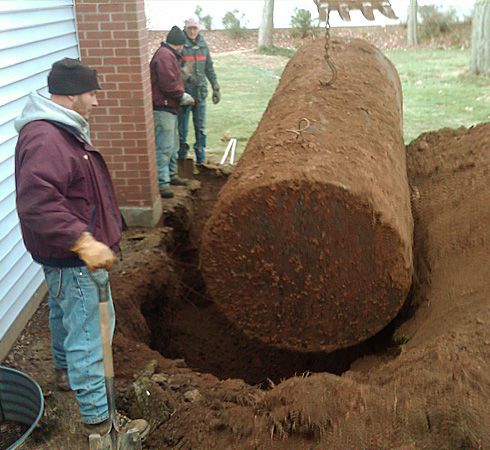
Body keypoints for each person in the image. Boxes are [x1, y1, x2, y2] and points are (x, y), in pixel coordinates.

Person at [14, 58, 149, 440]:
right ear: (72, 94)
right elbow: (38, 203)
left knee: (62, 314)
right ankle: (100, 425)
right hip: (72, 258)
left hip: (60, 256)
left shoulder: (57, 128)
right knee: (91, 337)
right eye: (92, 93)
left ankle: (64, 377)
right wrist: (84, 242)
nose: (96, 101)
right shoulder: (47, 137)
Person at [150, 25, 194, 198]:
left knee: (173, 144)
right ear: (179, 44)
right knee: (164, 147)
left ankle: (172, 175)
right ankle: (163, 183)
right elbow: (168, 84)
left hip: (169, 107)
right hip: (162, 107)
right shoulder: (164, 56)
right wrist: (181, 95)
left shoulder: (167, 55)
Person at [178, 17, 220, 165]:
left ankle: (200, 159)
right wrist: (187, 78)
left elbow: (209, 68)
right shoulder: (181, 46)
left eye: (194, 28)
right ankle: (181, 159)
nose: (192, 31)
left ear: (198, 29)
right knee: (182, 130)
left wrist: (215, 87)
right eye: (190, 28)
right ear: (185, 29)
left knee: (200, 129)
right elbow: (176, 70)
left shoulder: (203, 46)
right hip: (184, 95)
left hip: (200, 94)